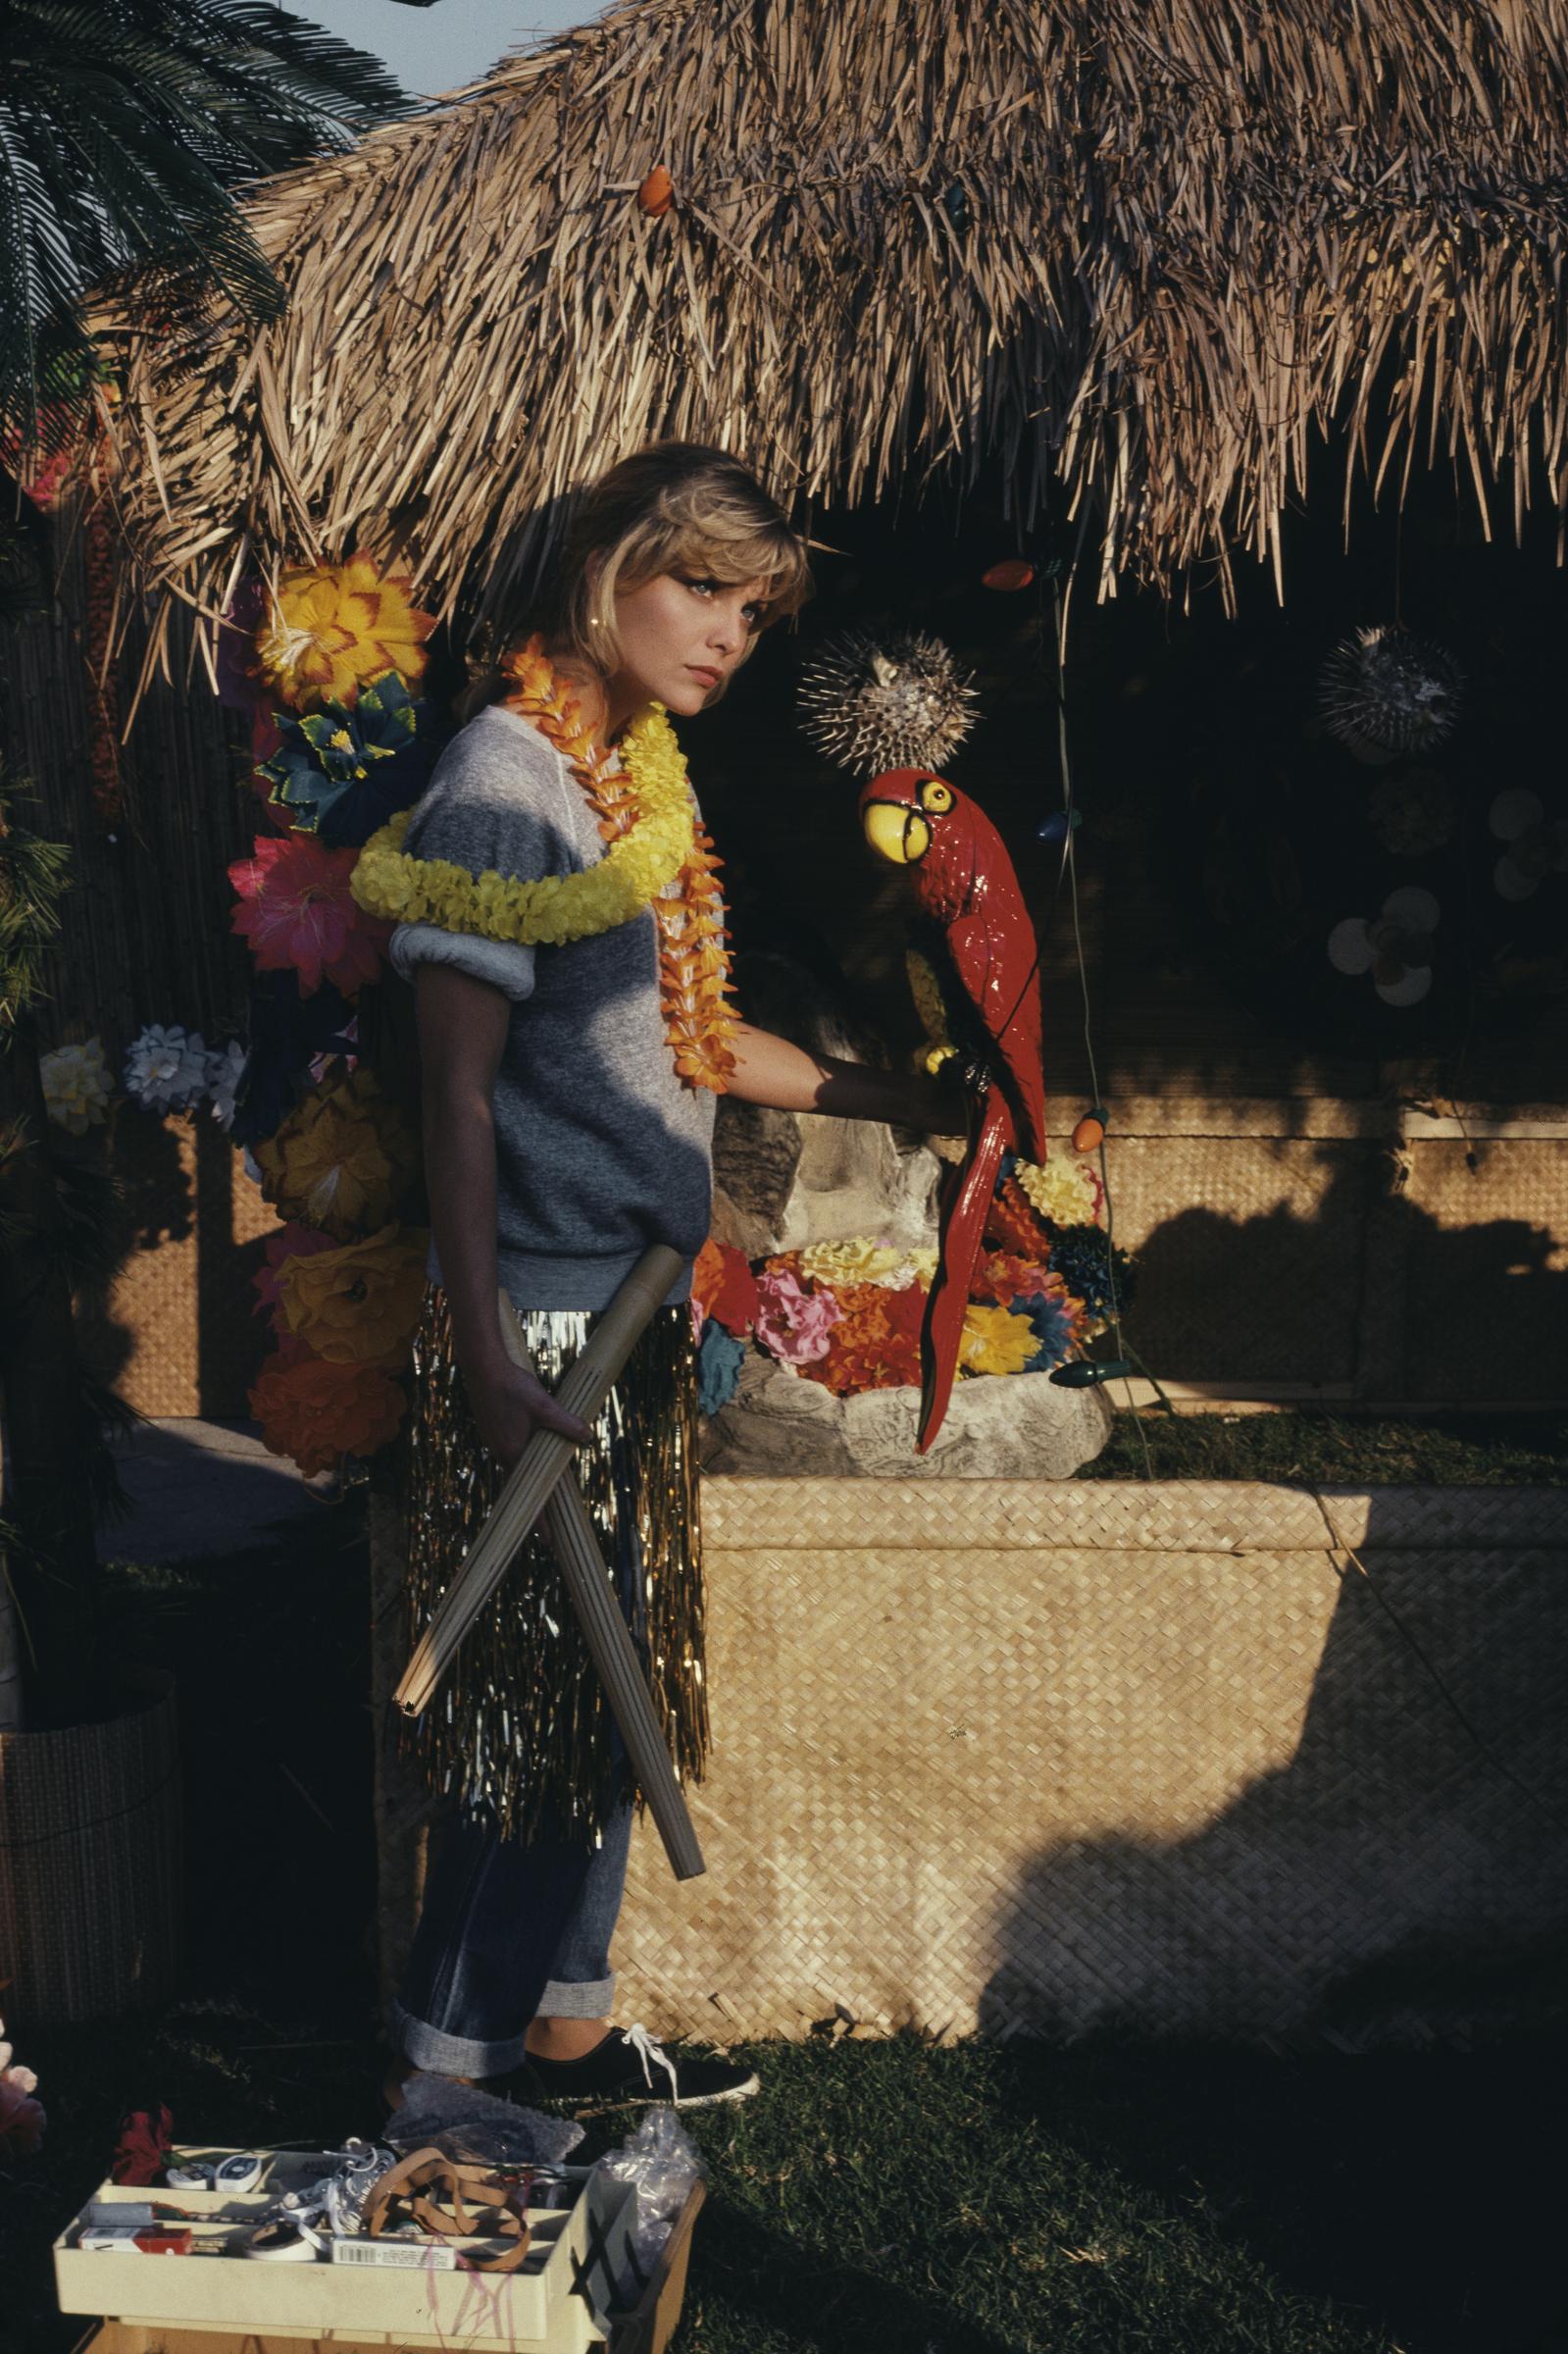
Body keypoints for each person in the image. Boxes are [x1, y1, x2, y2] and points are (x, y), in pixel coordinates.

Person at [367, 443, 959, 2111]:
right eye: (701, 587)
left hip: (632, 1303)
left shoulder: (638, 775)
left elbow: (697, 1036)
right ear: (608, 565)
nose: (727, 637)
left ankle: (559, 2029)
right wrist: (483, 1346)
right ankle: (448, 2079)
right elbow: (458, 1093)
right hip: (542, 1309)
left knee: (602, 1696)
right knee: (530, 1709)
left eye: (754, 613)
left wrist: (894, 1097)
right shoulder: (508, 777)